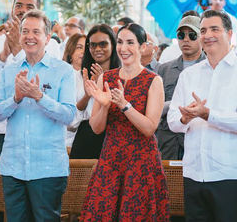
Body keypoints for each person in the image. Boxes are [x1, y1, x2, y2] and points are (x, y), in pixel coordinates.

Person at [168, 10, 237, 221]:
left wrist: (207, 114)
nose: (207, 35)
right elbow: (172, 120)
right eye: (203, 30)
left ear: (230, 34)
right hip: (194, 173)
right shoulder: (189, 75)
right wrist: (186, 117)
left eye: (214, 29)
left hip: (229, 175)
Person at [0, 9, 76, 221]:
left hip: (48, 168)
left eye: (36, 32)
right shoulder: (9, 71)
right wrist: (16, 98)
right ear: (19, 36)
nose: (30, 37)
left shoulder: (63, 71)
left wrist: (39, 97)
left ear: (47, 38)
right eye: (25, 31)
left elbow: (69, 115)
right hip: (14, 167)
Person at [81, 23, 168, 221]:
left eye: (130, 42)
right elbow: (96, 128)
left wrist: (124, 105)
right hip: (111, 161)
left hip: (141, 163)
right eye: (120, 42)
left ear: (142, 47)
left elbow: (149, 128)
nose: (124, 48)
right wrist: (103, 105)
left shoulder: (153, 81)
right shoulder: (106, 77)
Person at [0, 0, 42, 157]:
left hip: (34, 128)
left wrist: (17, 51)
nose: (23, 10)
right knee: (1, 182)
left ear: (38, 13)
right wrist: (2, 56)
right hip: (0, 130)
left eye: (29, 6)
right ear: (12, 10)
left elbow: (39, 81)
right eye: (19, 5)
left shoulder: (46, 45)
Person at [156, 13, 205, 160]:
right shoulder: (164, 69)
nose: (186, 40)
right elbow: (155, 104)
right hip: (168, 141)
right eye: (181, 35)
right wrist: (173, 106)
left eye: (192, 35)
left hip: (197, 137)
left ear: (201, 37)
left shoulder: (210, 68)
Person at [69, 24, 121, 159]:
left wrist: (103, 83)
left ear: (113, 45)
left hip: (114, 138)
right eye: (93, 45)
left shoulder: (122, 76)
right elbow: (71, 123)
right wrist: (87, 95)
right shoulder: (78, 76)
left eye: (103, 44)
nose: (97, 49)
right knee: (82, 180)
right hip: (85, 139)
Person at [62, 33, 87, 147]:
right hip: (66, 141)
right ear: (70, 51)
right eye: (79, 47)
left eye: (87, 48)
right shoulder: (64, 76)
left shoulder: (93, 76)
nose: (83, 52)